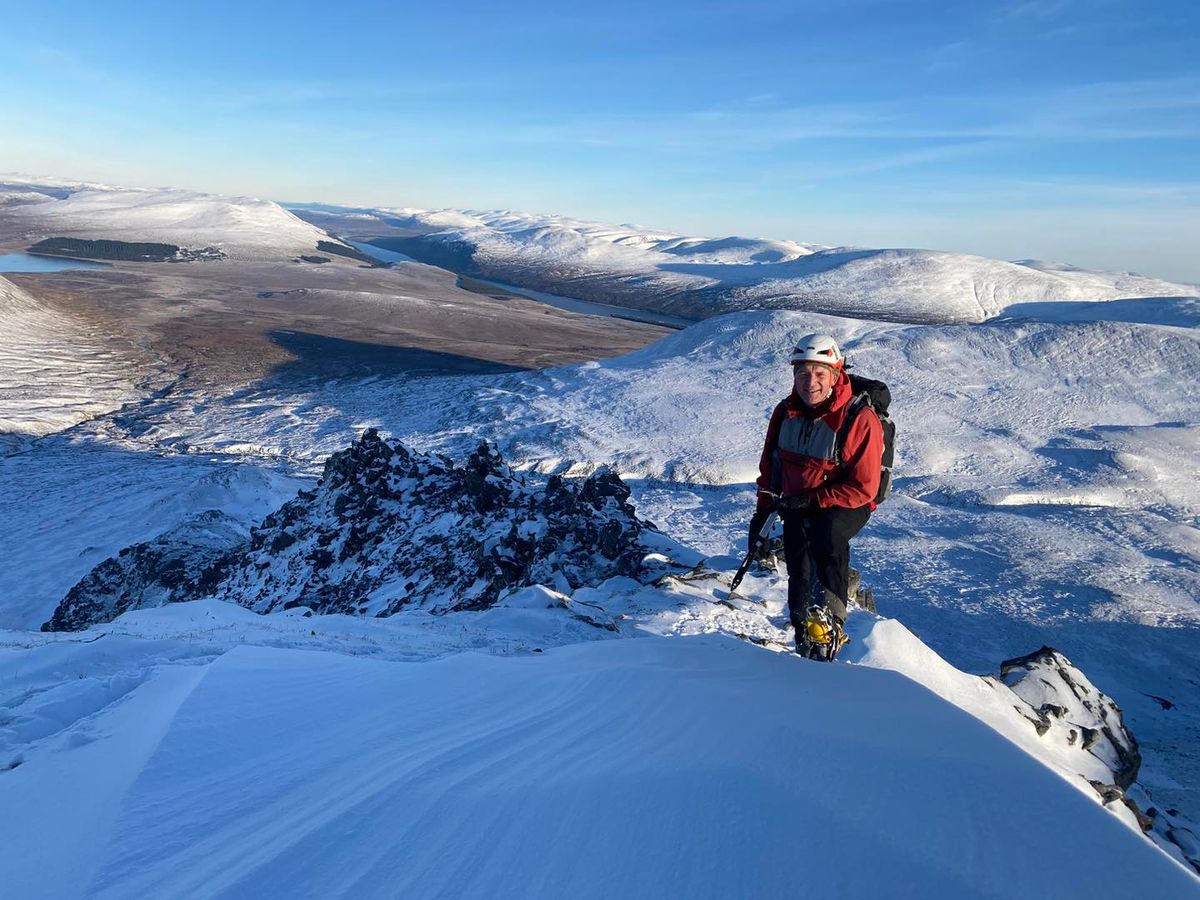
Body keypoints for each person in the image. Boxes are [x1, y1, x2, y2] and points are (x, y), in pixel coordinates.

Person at [749, 334, 884, 656]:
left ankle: (831, 623)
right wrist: (762, 513)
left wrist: (811, 500)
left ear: (835, 376)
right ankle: (802, 633)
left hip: (846, 502)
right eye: (803, 374)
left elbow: (864, 487)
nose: (810, 382)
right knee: (799, 566)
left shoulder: (858, 419)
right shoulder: (785, 413)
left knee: (826, 535)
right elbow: (771, 467)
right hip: (797, 501)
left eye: (819, 374)